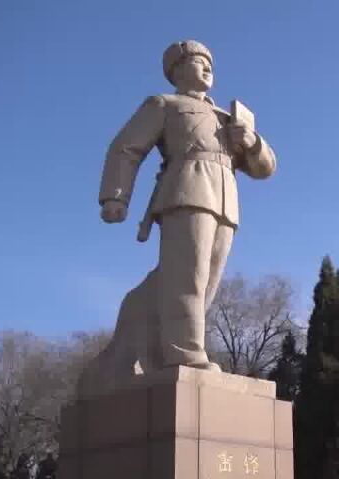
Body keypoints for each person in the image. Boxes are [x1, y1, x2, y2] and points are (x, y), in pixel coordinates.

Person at [82, 39, 277, 394]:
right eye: (198, 62)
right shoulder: (165, 104)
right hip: (186, 191)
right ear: (176, 70)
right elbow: (126, 148)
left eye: (210, 64)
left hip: (225, 200)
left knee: (206, 283)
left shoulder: (227, 118)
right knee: (188, 275)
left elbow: (265, 169)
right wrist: (115, 196)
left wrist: (251, 142)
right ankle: (186, 354)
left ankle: (157, 339)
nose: (207, 69)